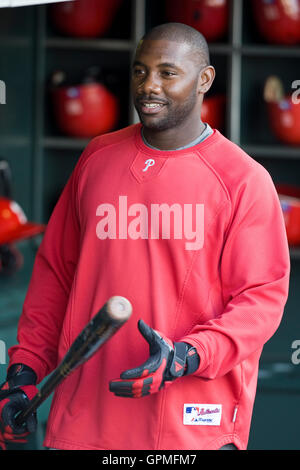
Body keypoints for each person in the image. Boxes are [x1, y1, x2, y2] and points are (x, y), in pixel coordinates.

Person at [0, 22, 290, 451]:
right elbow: (55, 278)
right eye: (140, 71)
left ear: (204, 80)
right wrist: (23, 372)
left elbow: (260, 299)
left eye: (167, 73)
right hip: (85, 423)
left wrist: (189, 354)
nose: (149, 85)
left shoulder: (242, 179)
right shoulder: (97, 157)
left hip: (189, 427)